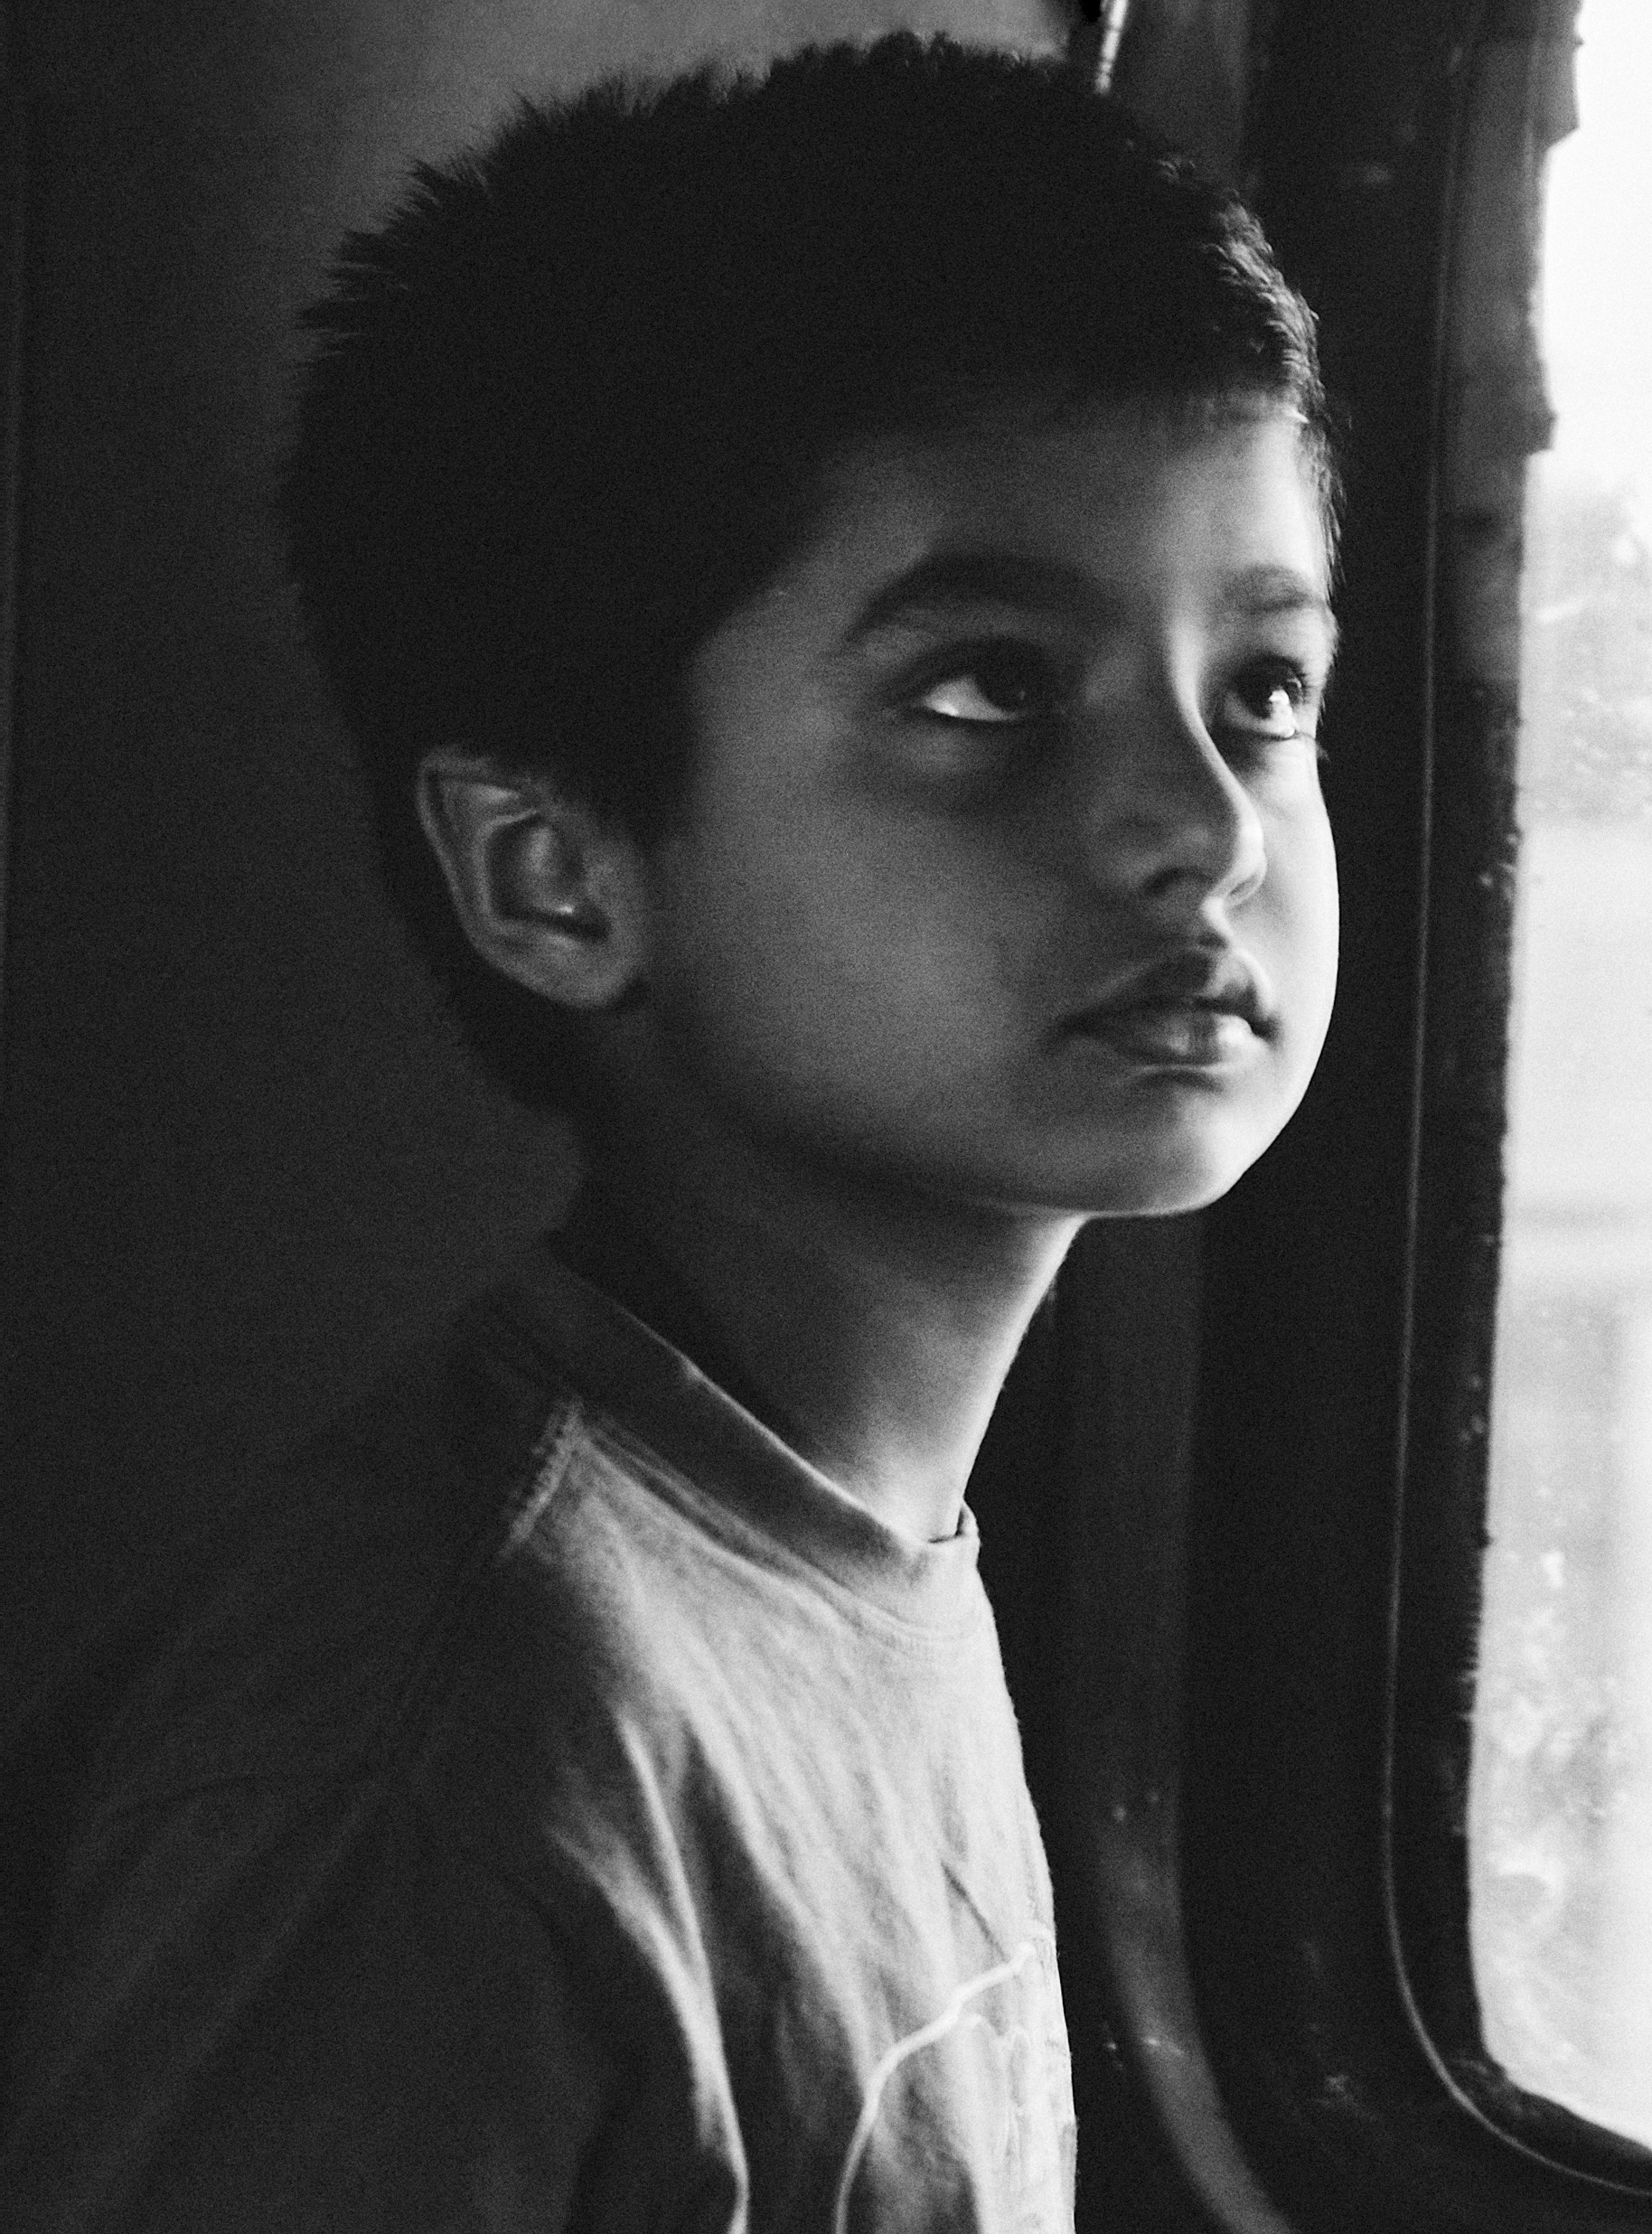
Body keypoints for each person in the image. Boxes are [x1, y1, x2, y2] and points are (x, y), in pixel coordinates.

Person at [0, 34, 1336, 2229]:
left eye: (1261, 691)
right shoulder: (441, 1763)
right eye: (987, 690)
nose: (1198, 825)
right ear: (557, 876)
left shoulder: (842, 1556)